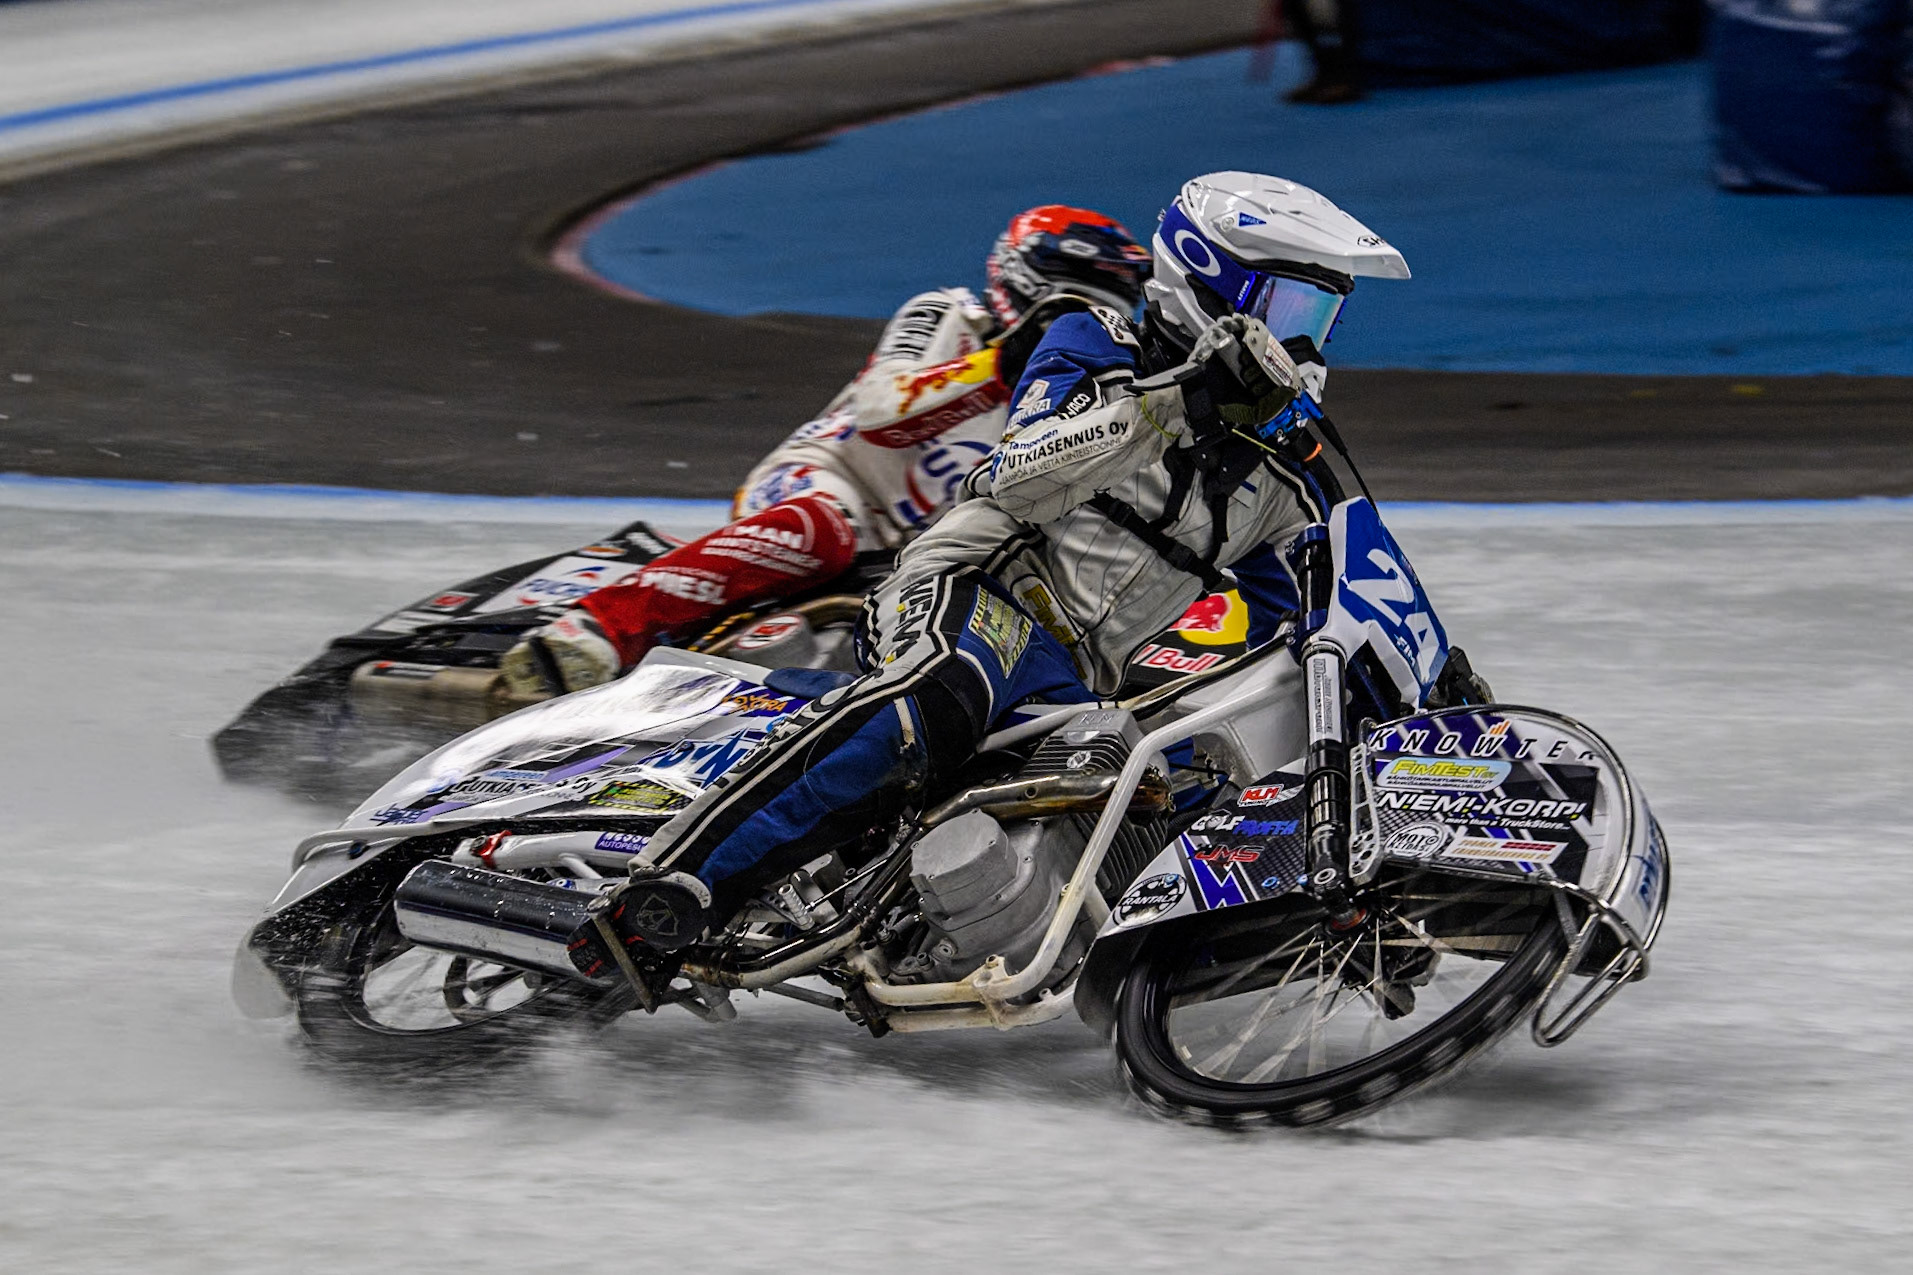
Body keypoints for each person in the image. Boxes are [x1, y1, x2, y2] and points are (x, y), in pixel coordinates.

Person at [585, 171, 1411, 951]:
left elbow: (1308, 608)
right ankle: (674, 886)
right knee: (948, 688)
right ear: (1209, 278)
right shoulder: (1098, 337)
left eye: (1323, 315)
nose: (1307, 338)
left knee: (1167, 786)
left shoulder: (1271, 472)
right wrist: (1184, 400)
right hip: (974, 586)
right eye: (1293, 305)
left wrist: (1423, 689)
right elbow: (1026, 468)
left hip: (1073, 673)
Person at [499, 206, 1152, 697]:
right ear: (1028, 276)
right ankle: (597, 627)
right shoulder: (948, 316)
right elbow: (881, 414)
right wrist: (999, 365)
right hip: (832, 483)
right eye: (1087, 290)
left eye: (1117, 296)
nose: (1101, 311)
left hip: (924, 552)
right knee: (822, 533)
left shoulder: (1091, 393)